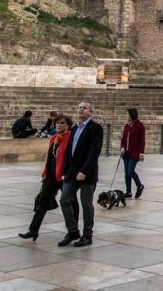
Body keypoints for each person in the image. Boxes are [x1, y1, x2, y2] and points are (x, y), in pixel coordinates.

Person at [19, 115, 78, 240]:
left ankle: (74, 230)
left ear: (68, 125)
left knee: (71, 202)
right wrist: (45, 174)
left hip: (64, 176)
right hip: (51, 176)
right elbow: (50, 158)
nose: (59, 125)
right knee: (42, 202)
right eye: (57, 123)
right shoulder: (54, 138)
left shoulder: (71, 138)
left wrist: (69, 174)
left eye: (62, 123)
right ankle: (33, 230)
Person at [58, 101, 103, 247]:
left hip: (87, 174)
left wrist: (84, 171)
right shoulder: (75, 128)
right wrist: (65, 171)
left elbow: (94, 152)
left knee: (86, 204)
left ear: (91, 112)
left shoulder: (96, 128)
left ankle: (87, 235)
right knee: (64, 199)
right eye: (79, 108)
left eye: (84, 108)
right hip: (72, 173)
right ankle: (72, 231)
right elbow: (68, 151)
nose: (81, 110)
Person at [120, 108, 146, 199]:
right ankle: (128, 192)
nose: (126, 115)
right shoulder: (126, 125)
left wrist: (142, 153)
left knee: (130, 171)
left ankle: (140, 186)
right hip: (126, 153)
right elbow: (123, 138)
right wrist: (122, 147)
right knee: (126, 173)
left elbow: (142, 140)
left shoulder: (140, 125)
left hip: (134, 152)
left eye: (127, 114)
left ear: (132, 114)